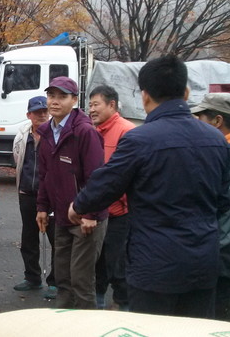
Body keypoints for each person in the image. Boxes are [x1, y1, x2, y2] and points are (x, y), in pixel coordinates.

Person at [69, 56, 230, 319]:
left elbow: (106, 184)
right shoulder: (216, 139)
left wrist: (78, 206)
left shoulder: (139, 139)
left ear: (145, 96)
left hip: (154, 264)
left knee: (152, 327)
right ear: (186, 92)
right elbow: (222, 202)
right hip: (203, 261)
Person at [36, 76, 107, 309]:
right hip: (61, 216)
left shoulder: (84, 132)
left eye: (62, 96)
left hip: (86, 218)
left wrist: (91, 214)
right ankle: (64, 324)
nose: (54, 102)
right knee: (63, 278)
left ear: (74, 100)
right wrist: (42, 207)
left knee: (81, 280)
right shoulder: (46, 131)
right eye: (51, 96)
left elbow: (97, 178)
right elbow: (45, 175)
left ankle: (87, 328)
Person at [191, 92, 230, 322]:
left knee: (224, 320)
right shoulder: (226, 149)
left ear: (218, 121)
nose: (197, 124)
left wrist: (209, 251)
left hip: (227, 260)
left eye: (201, 118)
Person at [88, 85, 136, 311]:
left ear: (112, 105)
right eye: (90, 105)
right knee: (98, 260)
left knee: (118, 261)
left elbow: (130, 174)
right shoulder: (93, 131)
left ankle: (122, 305)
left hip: (119, 212)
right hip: (98, 210)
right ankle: (98, 301)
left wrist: (123, 202)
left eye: (96, 104)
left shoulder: (126, 131)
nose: (92, 109)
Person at [12, 96, 57, 299]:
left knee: (56, 239)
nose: (41, 115)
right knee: (28, 239)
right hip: (27, 194)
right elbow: (17, 158)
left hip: (51, 197)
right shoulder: (22, 135)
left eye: (44, 111)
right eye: (37, 112)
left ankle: (56, 281)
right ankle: (32, 277)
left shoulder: (56, 134)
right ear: (28, 115)